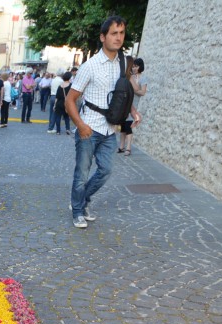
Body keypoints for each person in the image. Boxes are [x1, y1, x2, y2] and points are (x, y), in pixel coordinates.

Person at [66, 15, 141, 229]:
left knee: (105, 171)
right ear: (103, 37)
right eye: (114, 33)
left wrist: (133, 111)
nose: (118, 38)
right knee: (81, 173)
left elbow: (123, 94)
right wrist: (81, 126)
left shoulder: (124, 63)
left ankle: (81, 201)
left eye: (122, 33)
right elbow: (69, 100)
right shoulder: (89, 66)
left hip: (109, 129)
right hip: (89, 126)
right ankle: (78, 211)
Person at [119, 57, 147, 155]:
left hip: (133, 103)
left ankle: (128, 148)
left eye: (136, 66)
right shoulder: (130, 76)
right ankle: (121, 146)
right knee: (123, 124)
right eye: (133, 66)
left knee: (128, 124)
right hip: (125, 101)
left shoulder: (143, 78)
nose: (134, 68)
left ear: (141, 67)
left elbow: (143, 92)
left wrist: (135, 90)